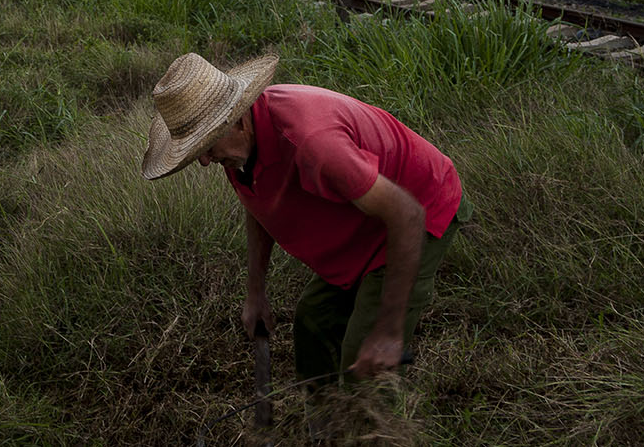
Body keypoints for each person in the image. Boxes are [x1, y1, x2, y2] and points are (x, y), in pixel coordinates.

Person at [142, 52, 469, 387]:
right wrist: (256, 293)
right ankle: (326, 430)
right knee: (313, 321)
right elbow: (258, 203)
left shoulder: (312, 143)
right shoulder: (239, 149)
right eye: (198, 152)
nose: (206, 162)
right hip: (363, 217)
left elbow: (407, 214)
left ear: (237, 120)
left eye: (207, 147)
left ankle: (369, 429)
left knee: (364, 367)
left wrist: (388, 331)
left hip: (417, 207)